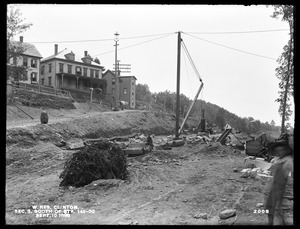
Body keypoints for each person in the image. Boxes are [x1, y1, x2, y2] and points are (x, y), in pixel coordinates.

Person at [264, 139, 293, 225]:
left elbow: (291, 173)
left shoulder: (288, 160)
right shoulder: (277, 159)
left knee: (274, 208)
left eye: (281, 150)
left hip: (279, 188)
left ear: (286, 150)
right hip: (271, 185)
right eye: (277, 151)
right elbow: (272, 170)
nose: (279, 152)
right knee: (271, 208)